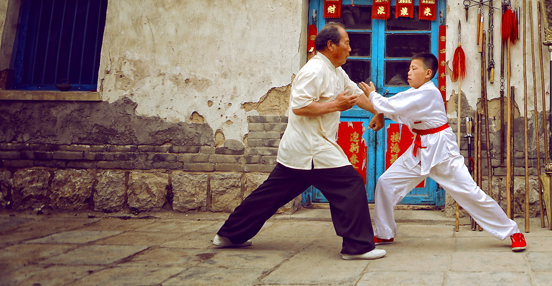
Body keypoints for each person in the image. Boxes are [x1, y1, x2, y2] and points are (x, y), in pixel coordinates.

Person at [212, 22, 385, 261]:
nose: (350, 48)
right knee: (351, 185)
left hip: (302, 151)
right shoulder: (314, 70)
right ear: (331, 45)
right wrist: (335, 105)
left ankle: (229, 235)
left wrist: (378, 111)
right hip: (311, 148)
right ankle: (357, 247)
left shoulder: (335, 71)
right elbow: (300, 106)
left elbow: (356, 96)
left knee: (270, 195)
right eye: (346, 43)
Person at [356, 52, 527, 252]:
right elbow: (396, 109)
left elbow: (391, 104)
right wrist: (380, 113)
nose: (409, 73)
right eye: (409, 68)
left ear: (428, 73)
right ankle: (384, 233)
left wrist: (373, 96)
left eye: (414, 68)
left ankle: (513, 231)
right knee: (386, 183)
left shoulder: (428, 92)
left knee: (471, 193)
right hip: (420, 150)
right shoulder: (414, 93)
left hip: (442, 151)